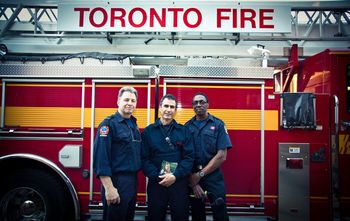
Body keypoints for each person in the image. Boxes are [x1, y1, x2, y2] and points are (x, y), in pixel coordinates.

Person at [141, 94, 194, 221]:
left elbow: (189, 157)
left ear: (175, 110)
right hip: (156, 184)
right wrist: (159, 176)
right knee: (155, 217)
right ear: (160, 108)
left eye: (172, 107)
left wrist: (175, 176)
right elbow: (144, 158)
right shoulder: (148, 132)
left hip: (179, 183)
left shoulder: (184, 131)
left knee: (181, 217)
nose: (168, 110)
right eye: (166, 106)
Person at [93, 86, 141, 221]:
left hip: (131, 181)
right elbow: (101, 158)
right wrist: (109, 188)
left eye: (133, 100)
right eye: (126, 99)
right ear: (118, 102)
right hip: (116, 182)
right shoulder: (108, 125)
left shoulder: (133, 124)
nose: (130, 103)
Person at [185, 92, 232, 221]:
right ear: (192, 106)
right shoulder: (186, 127)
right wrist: (193, 182)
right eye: (195, 103)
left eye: (202, 102)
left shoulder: (218, 125)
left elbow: (222, 156)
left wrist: (199, 175)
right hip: (193, 176)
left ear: (208, 105)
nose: (198, 105)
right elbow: (183, 155)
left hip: (213, 177)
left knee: (220, 213)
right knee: (197, 214)